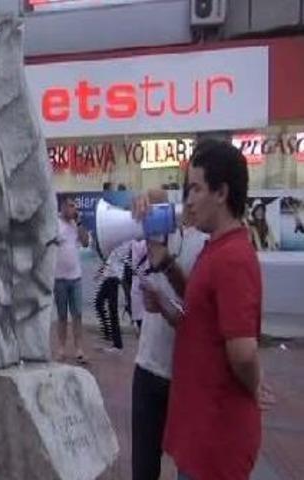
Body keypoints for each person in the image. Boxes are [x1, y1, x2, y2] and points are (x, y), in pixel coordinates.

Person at [145, 140, 268, 479]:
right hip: (202, 435)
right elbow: (199, 316)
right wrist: (167, 266)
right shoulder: (217, 249)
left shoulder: (232, 259)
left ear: (221, 192)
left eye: (196, 189)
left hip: (216, 442)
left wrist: (255, 384)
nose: (188, 201)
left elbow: (242, 353)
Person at [129, 190, 207, 480]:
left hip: (186, 376)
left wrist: (164, 304)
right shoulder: (164, 224)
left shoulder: (209, 243)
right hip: (148, 369)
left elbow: (199, 314)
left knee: (188, 468)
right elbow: (151, 195)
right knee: (144, 469)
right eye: (192, 187)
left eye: (201, 187)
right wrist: (140, 201)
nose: (193, 198)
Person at [53, 196, 89, 362]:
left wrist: (79, 223)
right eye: (70, 206)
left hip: (75, 277)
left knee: (77, 315)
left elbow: (86, 242)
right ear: (62, 207)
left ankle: (79, 349)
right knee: (62, 316)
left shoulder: (76, 225)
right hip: (59, 277)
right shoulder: (55, 224)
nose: (73, 209)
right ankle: (61, 348)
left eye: (74, 206)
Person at [94, 241, 129, 352]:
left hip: (114, 277)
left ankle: (117, 343)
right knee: (99, 303)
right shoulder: (115, 241)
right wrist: (101, 271)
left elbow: (118, 257)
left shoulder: (125, 243)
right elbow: (110, 258)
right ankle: (110, 334)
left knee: (111, 309)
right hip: (109, 276)